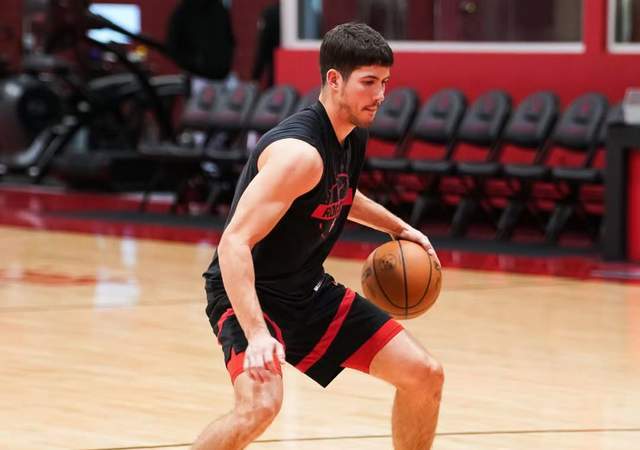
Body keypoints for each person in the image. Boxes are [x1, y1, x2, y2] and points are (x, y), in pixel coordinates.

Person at [195, 22, 443, 450]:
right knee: (259, 407)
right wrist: (257, 334)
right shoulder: (299, 154)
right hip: (250, 295)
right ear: (334, 79)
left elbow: (340, 191)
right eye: (369, 82)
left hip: (306, 291)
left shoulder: (350, 136)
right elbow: (234, 243)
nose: (380, 95)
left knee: (424, 375)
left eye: (385, 82)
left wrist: (399, 227)